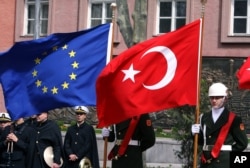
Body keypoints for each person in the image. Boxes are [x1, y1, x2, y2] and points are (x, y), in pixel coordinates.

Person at [191, 82, 248, 168]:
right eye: (212, 98)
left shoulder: (234, 119)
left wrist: (227, 154)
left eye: (217, 98)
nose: (214, 100)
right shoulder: (203, 117)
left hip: (223, 163)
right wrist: (194, 134)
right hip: (206, 162)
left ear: (225, 98)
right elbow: (202, 142)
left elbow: (243, 143)